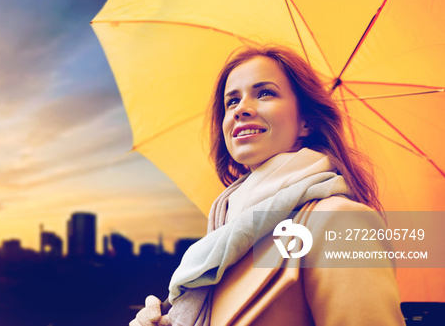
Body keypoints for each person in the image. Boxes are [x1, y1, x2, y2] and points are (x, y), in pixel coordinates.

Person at [130, 44, 404, 326]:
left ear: (306, 121)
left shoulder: (340, 221)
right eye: (232, 101)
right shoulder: (223, 234)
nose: (241, 110)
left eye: (265, 93)